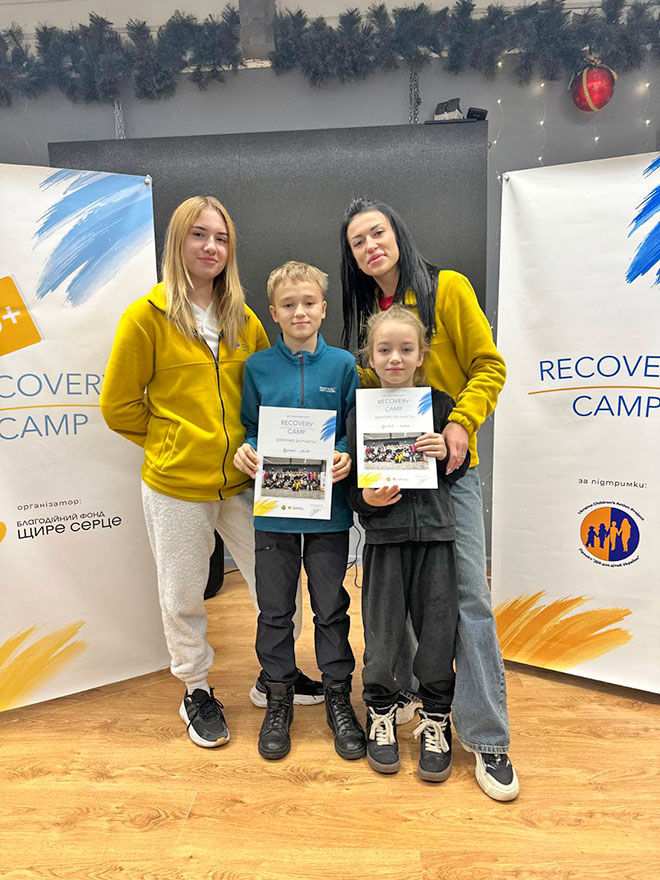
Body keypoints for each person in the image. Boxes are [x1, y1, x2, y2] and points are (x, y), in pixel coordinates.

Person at [99, 196, 321, 750]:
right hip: (177, 487)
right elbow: (117, 405)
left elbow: (271, 390)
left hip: (247, 483)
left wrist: (262, 445)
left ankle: (275, 675)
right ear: (178, 241)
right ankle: (195, 689)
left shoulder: (244, 318)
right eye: (199, 235)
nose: (211, 247)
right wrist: (175, 445)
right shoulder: (145, 317)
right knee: (182, 594)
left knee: (278, 586)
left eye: (221, 238)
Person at [340, 197, 519, 801]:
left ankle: (487, 738)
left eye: (377, 232)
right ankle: (416, 704)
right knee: (401, 604)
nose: (370, 246)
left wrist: (461, 423)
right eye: (358, 241)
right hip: (394, 485)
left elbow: (488, 366)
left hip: (450, 473)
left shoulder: (448, 289)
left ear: (397, 233)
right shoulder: (365, 311)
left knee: (468, 597)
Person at [234, 260, 366, 762]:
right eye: (288, 305)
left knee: (330, 607)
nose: (300, 312)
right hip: (275, 512)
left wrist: (346, 453)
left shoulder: (344, 367)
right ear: (273, 312)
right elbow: (250, 427)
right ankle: (278, 697)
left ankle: (338, 696)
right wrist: (247, 450)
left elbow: (353, 429)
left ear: (324, 308)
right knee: (275, 610)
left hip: (329, 512)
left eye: (309, 303)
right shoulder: (258, 368)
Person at [345, 306, 469, 779]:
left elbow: (458, 466)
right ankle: (380, 711)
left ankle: (436, 717)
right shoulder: (360, 412)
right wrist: (368, 500)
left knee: (438, 631)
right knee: (381, 634)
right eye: (384, 350)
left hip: (436, 535)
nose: (394, 358)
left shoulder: (441, 406)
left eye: (405, 349)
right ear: (370, 357)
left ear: (421, 356)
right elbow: (353, 490)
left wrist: (446, 452)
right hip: (384, 541)